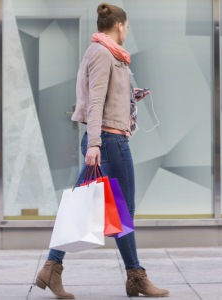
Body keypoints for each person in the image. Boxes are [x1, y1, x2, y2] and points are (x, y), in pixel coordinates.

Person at [35, 3, 169, 299]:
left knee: (82, 206)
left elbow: (103, 95)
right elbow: (95, 102)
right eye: (127, 26)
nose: (128, 31)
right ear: (119, 25)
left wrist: (130, 95)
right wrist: (94, 143)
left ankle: (52, 267)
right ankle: (135, 275)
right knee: (124, 212)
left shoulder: (106, 53)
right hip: (109, 143)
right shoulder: (103, 54)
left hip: (105, 141)